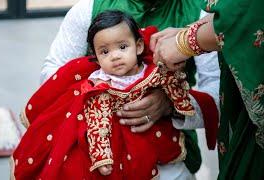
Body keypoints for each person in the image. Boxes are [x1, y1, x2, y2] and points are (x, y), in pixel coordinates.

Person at [39, 0, 220, 179]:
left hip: (169, 148)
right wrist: (100, 95)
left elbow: (220, 97)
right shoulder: (88, 9)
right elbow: (52, 76)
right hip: (96, 152)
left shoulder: (201, 13)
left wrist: (169, 104)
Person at [151, 0, 264, 179]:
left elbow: (251, 12)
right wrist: (193, 31)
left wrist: (185, 42)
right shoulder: (91, 8)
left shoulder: (192, 7)